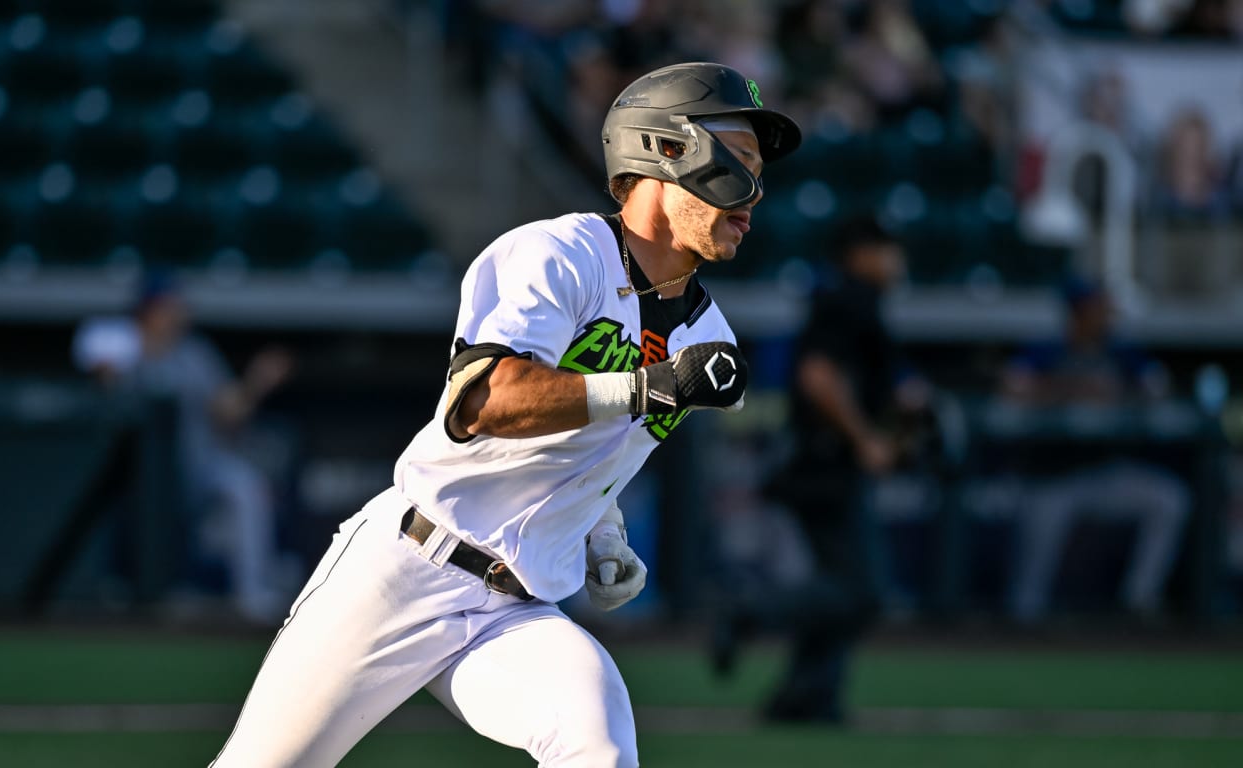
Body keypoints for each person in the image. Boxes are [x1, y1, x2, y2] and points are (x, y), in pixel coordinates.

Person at [211, 62, 801, 767]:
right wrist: (652, 385)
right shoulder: (559, 252)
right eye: (738, 160)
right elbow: (484, 402)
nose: (754, 193)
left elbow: (597, 449)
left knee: (599, 748)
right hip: (407, 568)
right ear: (666, 149)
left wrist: (601, 532)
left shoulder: (710, 337)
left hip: (517, 610)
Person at [710, 215, 922, 725]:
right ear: (859, 254)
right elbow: (818, 376)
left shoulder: (853, 301)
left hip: (825, 463)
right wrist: (865, 437)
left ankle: (806, 696)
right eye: (886, 249)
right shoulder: (846, 300)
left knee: (845, 589)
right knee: (860, 592)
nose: (897, 261)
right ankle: (752, 611)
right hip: (824, 466)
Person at [73, 272, 295, 620]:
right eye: (169, 306)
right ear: (148, 309)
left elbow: (228, 411)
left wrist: (257, 381)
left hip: (198, 465)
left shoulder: (194, 352)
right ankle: (117, 586)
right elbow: (101, 380)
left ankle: (252, 594)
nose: (178, 313)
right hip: (136, 472)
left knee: (244, 485)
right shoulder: (119, 342)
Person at [1000, 276, 1189, 625]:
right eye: (1096, 307)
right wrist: (1071, 389)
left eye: (1104, 308)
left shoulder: (1122, 351)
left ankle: (1138, 601)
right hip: (1051, 476)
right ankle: (1023, 624)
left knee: (1168, 499)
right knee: (1035, 554)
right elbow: (1013, 391)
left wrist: (1117, 393)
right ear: (1077, 311)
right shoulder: (1045, 350)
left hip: (1105, 474)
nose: (1103, 315)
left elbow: (1157, 391)